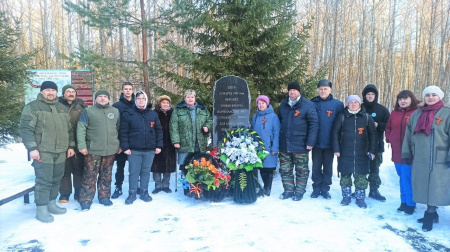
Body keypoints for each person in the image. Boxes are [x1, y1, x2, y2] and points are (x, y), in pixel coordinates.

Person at [19, 81, 75, 223]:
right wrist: (32, 148)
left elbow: (69, 130)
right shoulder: (32, 107)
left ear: (57, 92)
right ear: (42, 92)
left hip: (61, 150)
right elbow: (26, 129)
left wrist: (70, 146)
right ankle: (41, 208)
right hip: (42, 151)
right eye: (47, 90)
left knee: (57, 178)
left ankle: (51, 203)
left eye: (53, 90)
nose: (50, 93)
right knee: (44, 180)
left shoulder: (62, 108)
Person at [402, 86, 450, 232]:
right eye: (427, 95)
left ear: (440, 96)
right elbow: (408, 136)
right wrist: (406, 153)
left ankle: (429, 214)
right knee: (423, 186)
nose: (430, 97)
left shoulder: (447, 113)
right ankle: (433, 213)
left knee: (436, 187)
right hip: (421, 158)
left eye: (434, 95)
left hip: (440, 158)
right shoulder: (417, 114)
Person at [77, 89, 120, 211]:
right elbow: (81, 128)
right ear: (96, 98)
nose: (102, 98)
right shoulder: (88, 111)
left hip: (110, 150)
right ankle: (86, 199)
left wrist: (119, 144)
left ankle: (104, 197)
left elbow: (118, 129)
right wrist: (82, 145)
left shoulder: (115, 111)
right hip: (93, 150)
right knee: (89, 176)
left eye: (105, 96)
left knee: (106, 176)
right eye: (100, 96)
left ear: (108, 98)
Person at [332, 95, 377, 209]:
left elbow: (373, 136)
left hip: (362, 152)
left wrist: (372, 151)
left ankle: (360, 198)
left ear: (360, 104)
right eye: (350, 102)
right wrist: (336, 149)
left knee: (361, 176)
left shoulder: (366, 118)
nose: (353, 104)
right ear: (347, 104)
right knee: (345, 175)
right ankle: (346, 196)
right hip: (344, 152)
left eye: (355, 102)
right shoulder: (342, 116)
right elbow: (335, 133)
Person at [120, 91, 163, 204]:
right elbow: (123, 132)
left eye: (143, 98)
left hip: (149, 149)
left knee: (145, 171)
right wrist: (125, 147)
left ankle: (144, 191)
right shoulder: (128, 113)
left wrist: (159, 145)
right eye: (138, 98)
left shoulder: (152, 114)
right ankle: (132, 193)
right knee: (134, 172)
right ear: (135, 100)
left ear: (146, 100)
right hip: (134, 149)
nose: (141, 100)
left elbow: (158, 130)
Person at [278, 82, 318, 201]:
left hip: (301, 144)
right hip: (285, 144)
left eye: (295, 90)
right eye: (290, 90)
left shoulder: (307, 105)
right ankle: (289, 190)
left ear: (299, 92)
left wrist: (310, 142)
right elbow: (279, 122)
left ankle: (299, 192)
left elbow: (314, 124)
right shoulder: (283, 105)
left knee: (302, 170)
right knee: (285, 169)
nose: (292, 92)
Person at [385, 90, 420, 215]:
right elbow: (388, 127)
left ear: (411, 99)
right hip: (396, 151)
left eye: (405, 98)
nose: (402, 101)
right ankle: (403, 201)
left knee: (407, 177)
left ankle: (411, 203)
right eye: (400, 99)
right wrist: (389, 137)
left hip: (409, 151)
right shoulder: (394, 113)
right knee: (401, 177)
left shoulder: (416, 112)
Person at [169, 90, 213, 186]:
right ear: (184, 98)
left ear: (195, 98)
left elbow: (210, 119)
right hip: (185, 143)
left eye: (192, 97)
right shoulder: (178, 110)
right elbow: (173, 127)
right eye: (188, 97)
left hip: (200, 143)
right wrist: (175, 141)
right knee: (185, 165)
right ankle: (186, 186)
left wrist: (207, 126)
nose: (190, 99)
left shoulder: (202, 109)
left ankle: (199, 186)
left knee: (200, 165)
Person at [310, 79, 344, 199]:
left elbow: (341, 124)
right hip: (316, 142)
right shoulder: (312, 103)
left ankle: (325, 189)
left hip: (331, 143)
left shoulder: (338, 105)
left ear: (330, 90)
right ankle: (316, 188)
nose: (323, 91)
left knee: (328, 167)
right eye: (321, 89)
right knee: (316, 166)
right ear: (318, 90)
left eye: (325, 89)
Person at [58, 85, 88, 203]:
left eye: (73, 91)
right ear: (63, 93)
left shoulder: (82, 106)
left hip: (79, 142)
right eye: (68, 91)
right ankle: (64, 193)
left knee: (78, 168)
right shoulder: (57, 105)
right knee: (65, 169)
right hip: (62, 142)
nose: (71, 93)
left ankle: (78, 191)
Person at [361, 84, 390, 201]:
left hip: (376, 145)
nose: (370, 96)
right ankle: (360, 189)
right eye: (368, 94)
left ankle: (373, 190)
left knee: (374, 168)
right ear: (364, 96)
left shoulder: (382, 109)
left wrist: (379, 125)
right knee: (361, 168)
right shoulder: (359, 107)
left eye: (372, 94)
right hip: (360, 144)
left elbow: (389, 124)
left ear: (376, 96)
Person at [251, 95, 280, 196]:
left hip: (269, 146)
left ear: (267, 104)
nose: (261, 105)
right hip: (258, 147)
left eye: (263, 103)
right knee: (262, 168)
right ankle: (264, 187)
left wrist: (275, 147)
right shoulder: (255, 117)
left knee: (269, 168)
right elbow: (252, 131)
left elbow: (277, 133)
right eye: (259, 103)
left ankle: (268, 188)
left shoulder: (273, 117)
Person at [111, 82, 135, 199]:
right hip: (121, 141)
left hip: (135, 142)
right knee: (120, 167)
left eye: (130, 89)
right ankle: (118, 187)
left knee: (135, 167)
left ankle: (137, 186)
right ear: (122, 91)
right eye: (126, 89)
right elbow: (114, 126)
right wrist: (118, 143)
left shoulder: (138, 104)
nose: (128, 91)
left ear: (132, 91)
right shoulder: (116, 106)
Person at [151, 95, 177, 194]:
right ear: (159, 103)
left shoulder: (173, 113)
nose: (165, 104)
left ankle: (166, 185)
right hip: (157, 142)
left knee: (168, 165)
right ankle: (157, 185)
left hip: (170, 143)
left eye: (167, 103)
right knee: (156, 165)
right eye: (163, 102)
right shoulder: (154, 113)